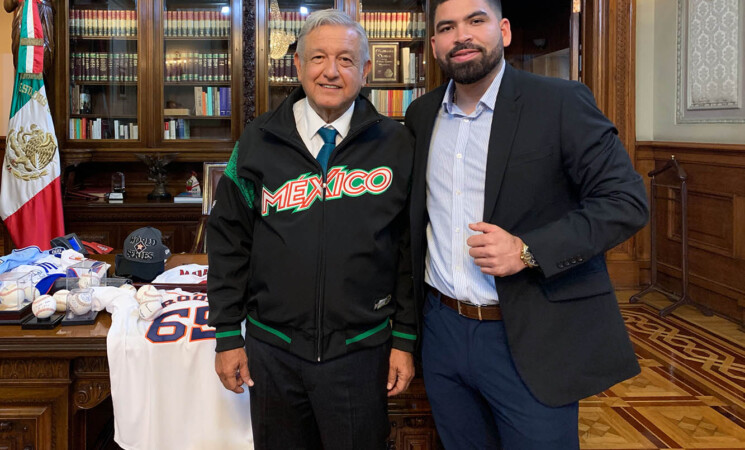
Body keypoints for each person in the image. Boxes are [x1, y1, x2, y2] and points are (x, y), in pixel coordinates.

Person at [404, 0, 649, 448]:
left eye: (475, 21)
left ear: (505, 30)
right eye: (447, 27)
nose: (462, 36)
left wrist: (527, 250)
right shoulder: (421, 116)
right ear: (434, 44)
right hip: (442, 330)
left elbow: (626, 202)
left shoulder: (559, 102)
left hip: (530, 333)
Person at [207, 9, 416, 450]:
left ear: (363, 71)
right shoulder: (257, 140)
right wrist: (227, 333)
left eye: (345, 59)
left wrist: (405, 338)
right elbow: (228, 243)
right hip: (274, 351)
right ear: (298, 65)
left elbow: (408, 250)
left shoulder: (397, 145)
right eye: (318, 57)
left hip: (360, 353)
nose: (331, 71)